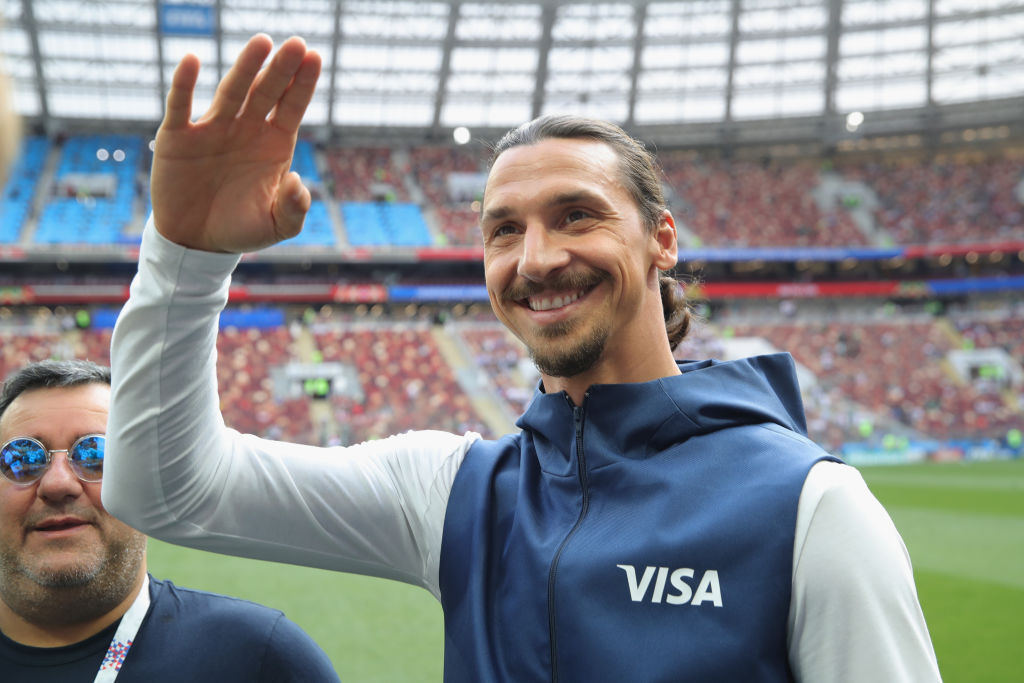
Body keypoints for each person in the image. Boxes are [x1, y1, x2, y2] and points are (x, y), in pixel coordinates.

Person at [104, 33, 942, 682]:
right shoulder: (454, 492)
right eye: (504, 228)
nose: (535, 258)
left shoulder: (813, 508)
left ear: (662, 239)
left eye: (576, 215)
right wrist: (184, 253)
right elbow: (163, 488)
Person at [0, 359, 341, 682]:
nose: (58, 484)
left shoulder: (260, 659)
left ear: (147, 484)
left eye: (96, 454)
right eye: (21, 459)